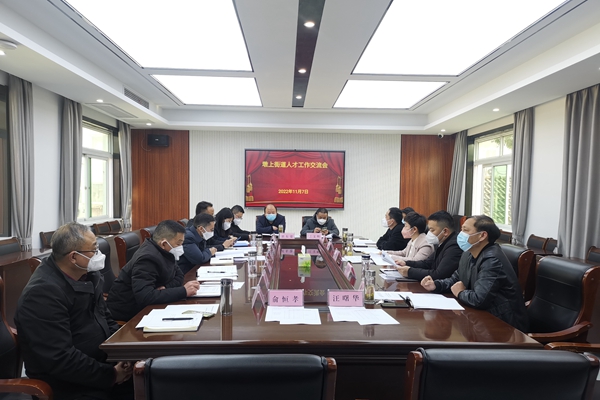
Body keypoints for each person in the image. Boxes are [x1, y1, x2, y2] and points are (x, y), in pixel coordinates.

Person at [15, 222, 134, 400]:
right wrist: (112, 375)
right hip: (68, 385)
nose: (99, 254)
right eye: (94, 250)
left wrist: (125, 354)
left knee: (154, 378)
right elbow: (61, 359)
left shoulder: (88, 275)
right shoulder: (42, 294)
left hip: (100, 365)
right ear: (73, 257)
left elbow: (106, 319)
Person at [421, 215, 529, 332]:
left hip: (504, 325)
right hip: (482, 317)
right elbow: (456, 279)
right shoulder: (468, 253)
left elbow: (479, 299)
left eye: (466, 230)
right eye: (461, 229)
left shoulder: (492, 260)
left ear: (482, 235)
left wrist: (460, 293)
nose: (460, 234)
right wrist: (436, 285)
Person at [107, 220, 199, 321]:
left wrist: (166, 288)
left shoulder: (166, 252)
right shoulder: (147, 259)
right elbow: (145, 297)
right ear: (164, 243)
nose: (181, 248)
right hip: (129, 311)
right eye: (178, 244)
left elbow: (179, 276)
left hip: (148, 305)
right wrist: (183, 291)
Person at [395, 210, 463, 280]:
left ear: (445, 231)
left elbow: (439, 274)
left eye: (432, 230)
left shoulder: (454, 246)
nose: (429, 233)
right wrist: (406, 263)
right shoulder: (440, 242)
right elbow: (427, 263)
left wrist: (409, 272)